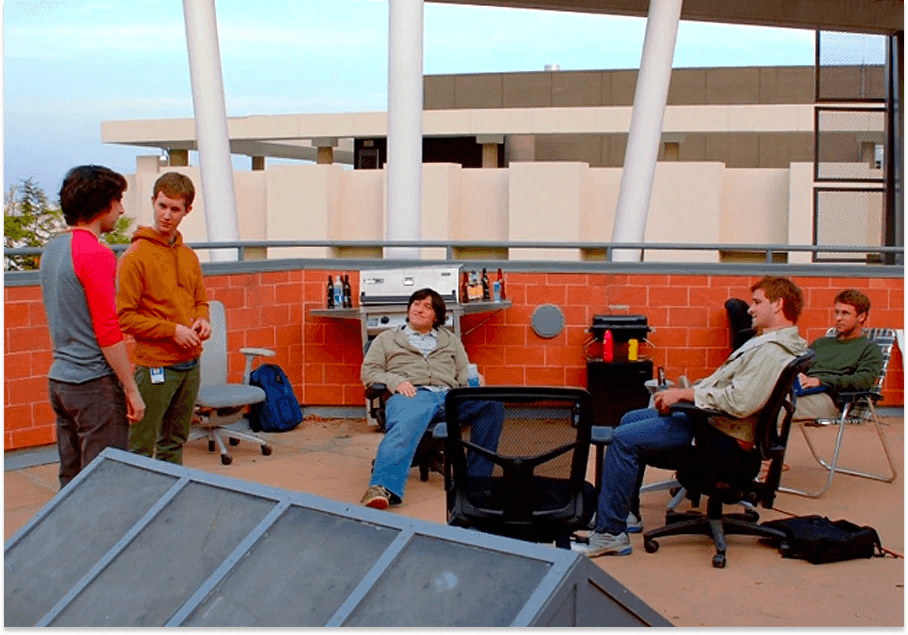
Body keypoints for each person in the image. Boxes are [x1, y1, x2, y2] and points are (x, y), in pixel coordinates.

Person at [573, 276, 807, 557]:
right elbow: (729, 388)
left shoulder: (771, 352)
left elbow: (740, 402)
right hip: (716, 424)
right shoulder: (768, 342)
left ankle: (611, 534)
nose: (750, 310)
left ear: (779, 305)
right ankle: (626, 515)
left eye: (757, 302)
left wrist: (685, 397)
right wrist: (683, 393)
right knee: (630, 419)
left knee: (622, 439)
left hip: (720, 438)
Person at [40, 165, 146, 488]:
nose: (122, 209)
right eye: (118, 201)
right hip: (92, 386)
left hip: (61, 382)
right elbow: (108, 331)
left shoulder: (51, 251)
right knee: (106, 487)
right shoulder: (96, 254)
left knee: (71, 482)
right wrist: (131, 389)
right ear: (103, 205)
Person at [360, 288, 503, 510]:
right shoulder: (387, 339)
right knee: (404, 424)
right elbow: (369, 371)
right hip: (412, 394)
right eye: (416, 304)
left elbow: (462, 370)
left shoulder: (450, 340)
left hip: (449, 395)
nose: (419, 309)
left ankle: (476, 482)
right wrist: (394, 381)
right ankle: (382, 488)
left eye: (427, 307)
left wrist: (474, 378)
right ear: (409, 309)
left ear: (436, 316)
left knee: (491, 406)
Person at [116, 172, 210, 465]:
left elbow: (200, 301)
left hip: (190, 365)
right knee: (141, 446)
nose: (166, 215)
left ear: (187, 211)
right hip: (156, 366)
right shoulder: (135, 257)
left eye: (175, 209)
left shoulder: (189, 256)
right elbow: (125, 318)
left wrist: (203, 320)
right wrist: (172, 331)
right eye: (162, 206)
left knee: (174, 443)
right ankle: (138, 506)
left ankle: (170, 504)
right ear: (153, 202)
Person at [793, 289, 883, 421]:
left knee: (777, 410)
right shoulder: (821, 343)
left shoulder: (868, 348)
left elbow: (863, 380)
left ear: (861, 317)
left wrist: (820, 381)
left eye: (845, 313)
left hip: (829, 399)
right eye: (837, 312)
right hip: (801, 391)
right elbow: (798, 366)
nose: (838, 318)